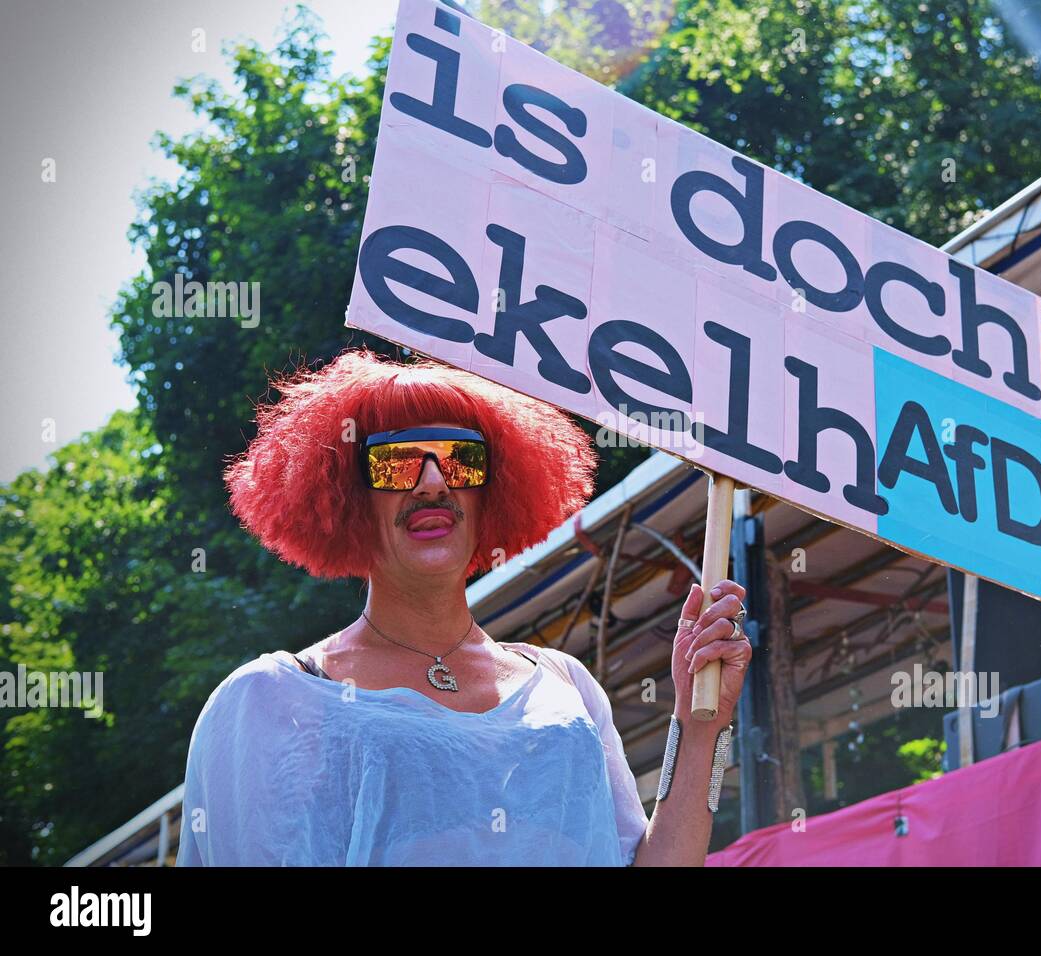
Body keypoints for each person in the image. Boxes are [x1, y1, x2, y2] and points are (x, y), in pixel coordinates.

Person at [175, 348, 752, 866]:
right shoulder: (274, 700)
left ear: (490, 491)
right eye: (395, 462)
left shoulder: (565, 683)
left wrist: (700, 724)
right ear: (348, 498)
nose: (431, 482)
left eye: (460, 459)